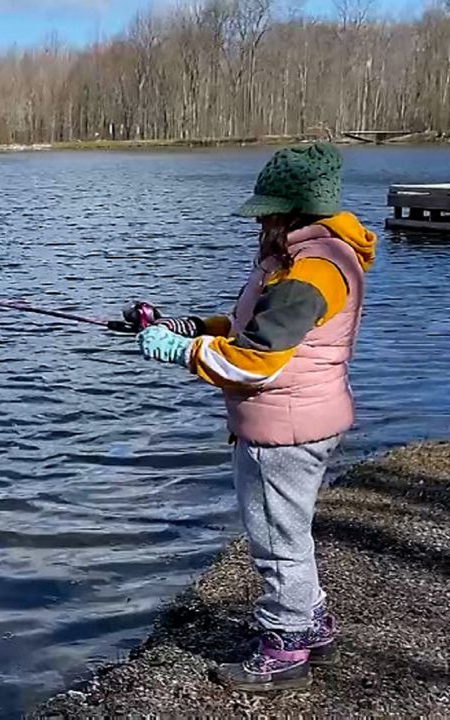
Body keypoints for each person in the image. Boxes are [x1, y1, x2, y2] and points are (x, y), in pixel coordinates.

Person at [134, 142, 378, 693]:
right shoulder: (314, 257)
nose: (261, 220)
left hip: (284, 428)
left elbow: (257, 363)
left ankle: (286, 643)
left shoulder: (309, 273)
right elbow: (253, 326)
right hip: (306, 414)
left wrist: (182, 353)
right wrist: (190, 325)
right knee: (289, 530)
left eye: (268, 211)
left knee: (275, 538)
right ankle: (308, 621)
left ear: (293, 212)